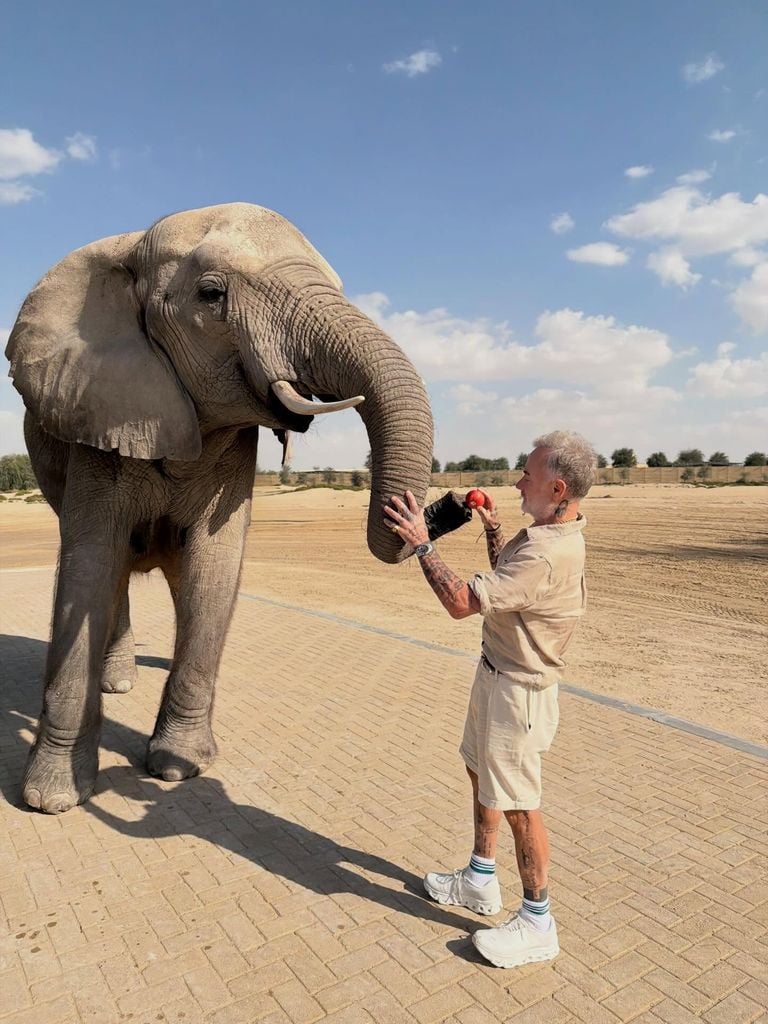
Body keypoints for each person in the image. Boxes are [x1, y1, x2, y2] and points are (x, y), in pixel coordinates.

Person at [384, 430, 596, 969]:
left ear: (558, 487)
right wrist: (494, 529)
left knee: (523, 806)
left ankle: (538, 920)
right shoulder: (543, 534)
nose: (518, 480)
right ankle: (480, 878)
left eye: (528, 474)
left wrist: (422, 542)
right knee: (482, 774)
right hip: (496, 676)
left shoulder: (548, 555)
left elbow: (462, 603)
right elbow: (508, 587)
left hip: (519, 694)